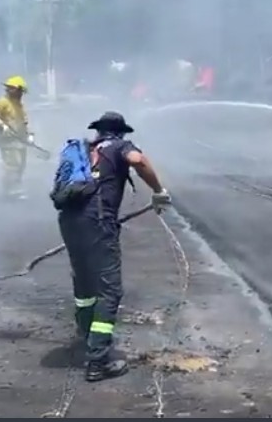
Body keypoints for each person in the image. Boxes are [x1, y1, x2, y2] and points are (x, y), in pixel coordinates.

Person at [54, 111, 172, 382]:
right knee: (110, 290)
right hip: (97, 223)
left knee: (84, 283)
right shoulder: (120, 146)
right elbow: (138, 160)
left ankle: (87, 335)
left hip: (69, 222)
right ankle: (98, 361)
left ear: (99, 131)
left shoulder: (86, 149)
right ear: (120, 132)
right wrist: (158, 190)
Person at [0, 75, 33, 199]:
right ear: (14, 89)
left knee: (21, 164)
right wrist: (1, 125)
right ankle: (11, 189)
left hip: (19, 139)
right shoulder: (3, 102)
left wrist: (28, 135)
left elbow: (23, 122)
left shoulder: (18, 105)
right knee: (12, 164)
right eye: (19, 91)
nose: (21, 94)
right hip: (7, 140)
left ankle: (16, 186)